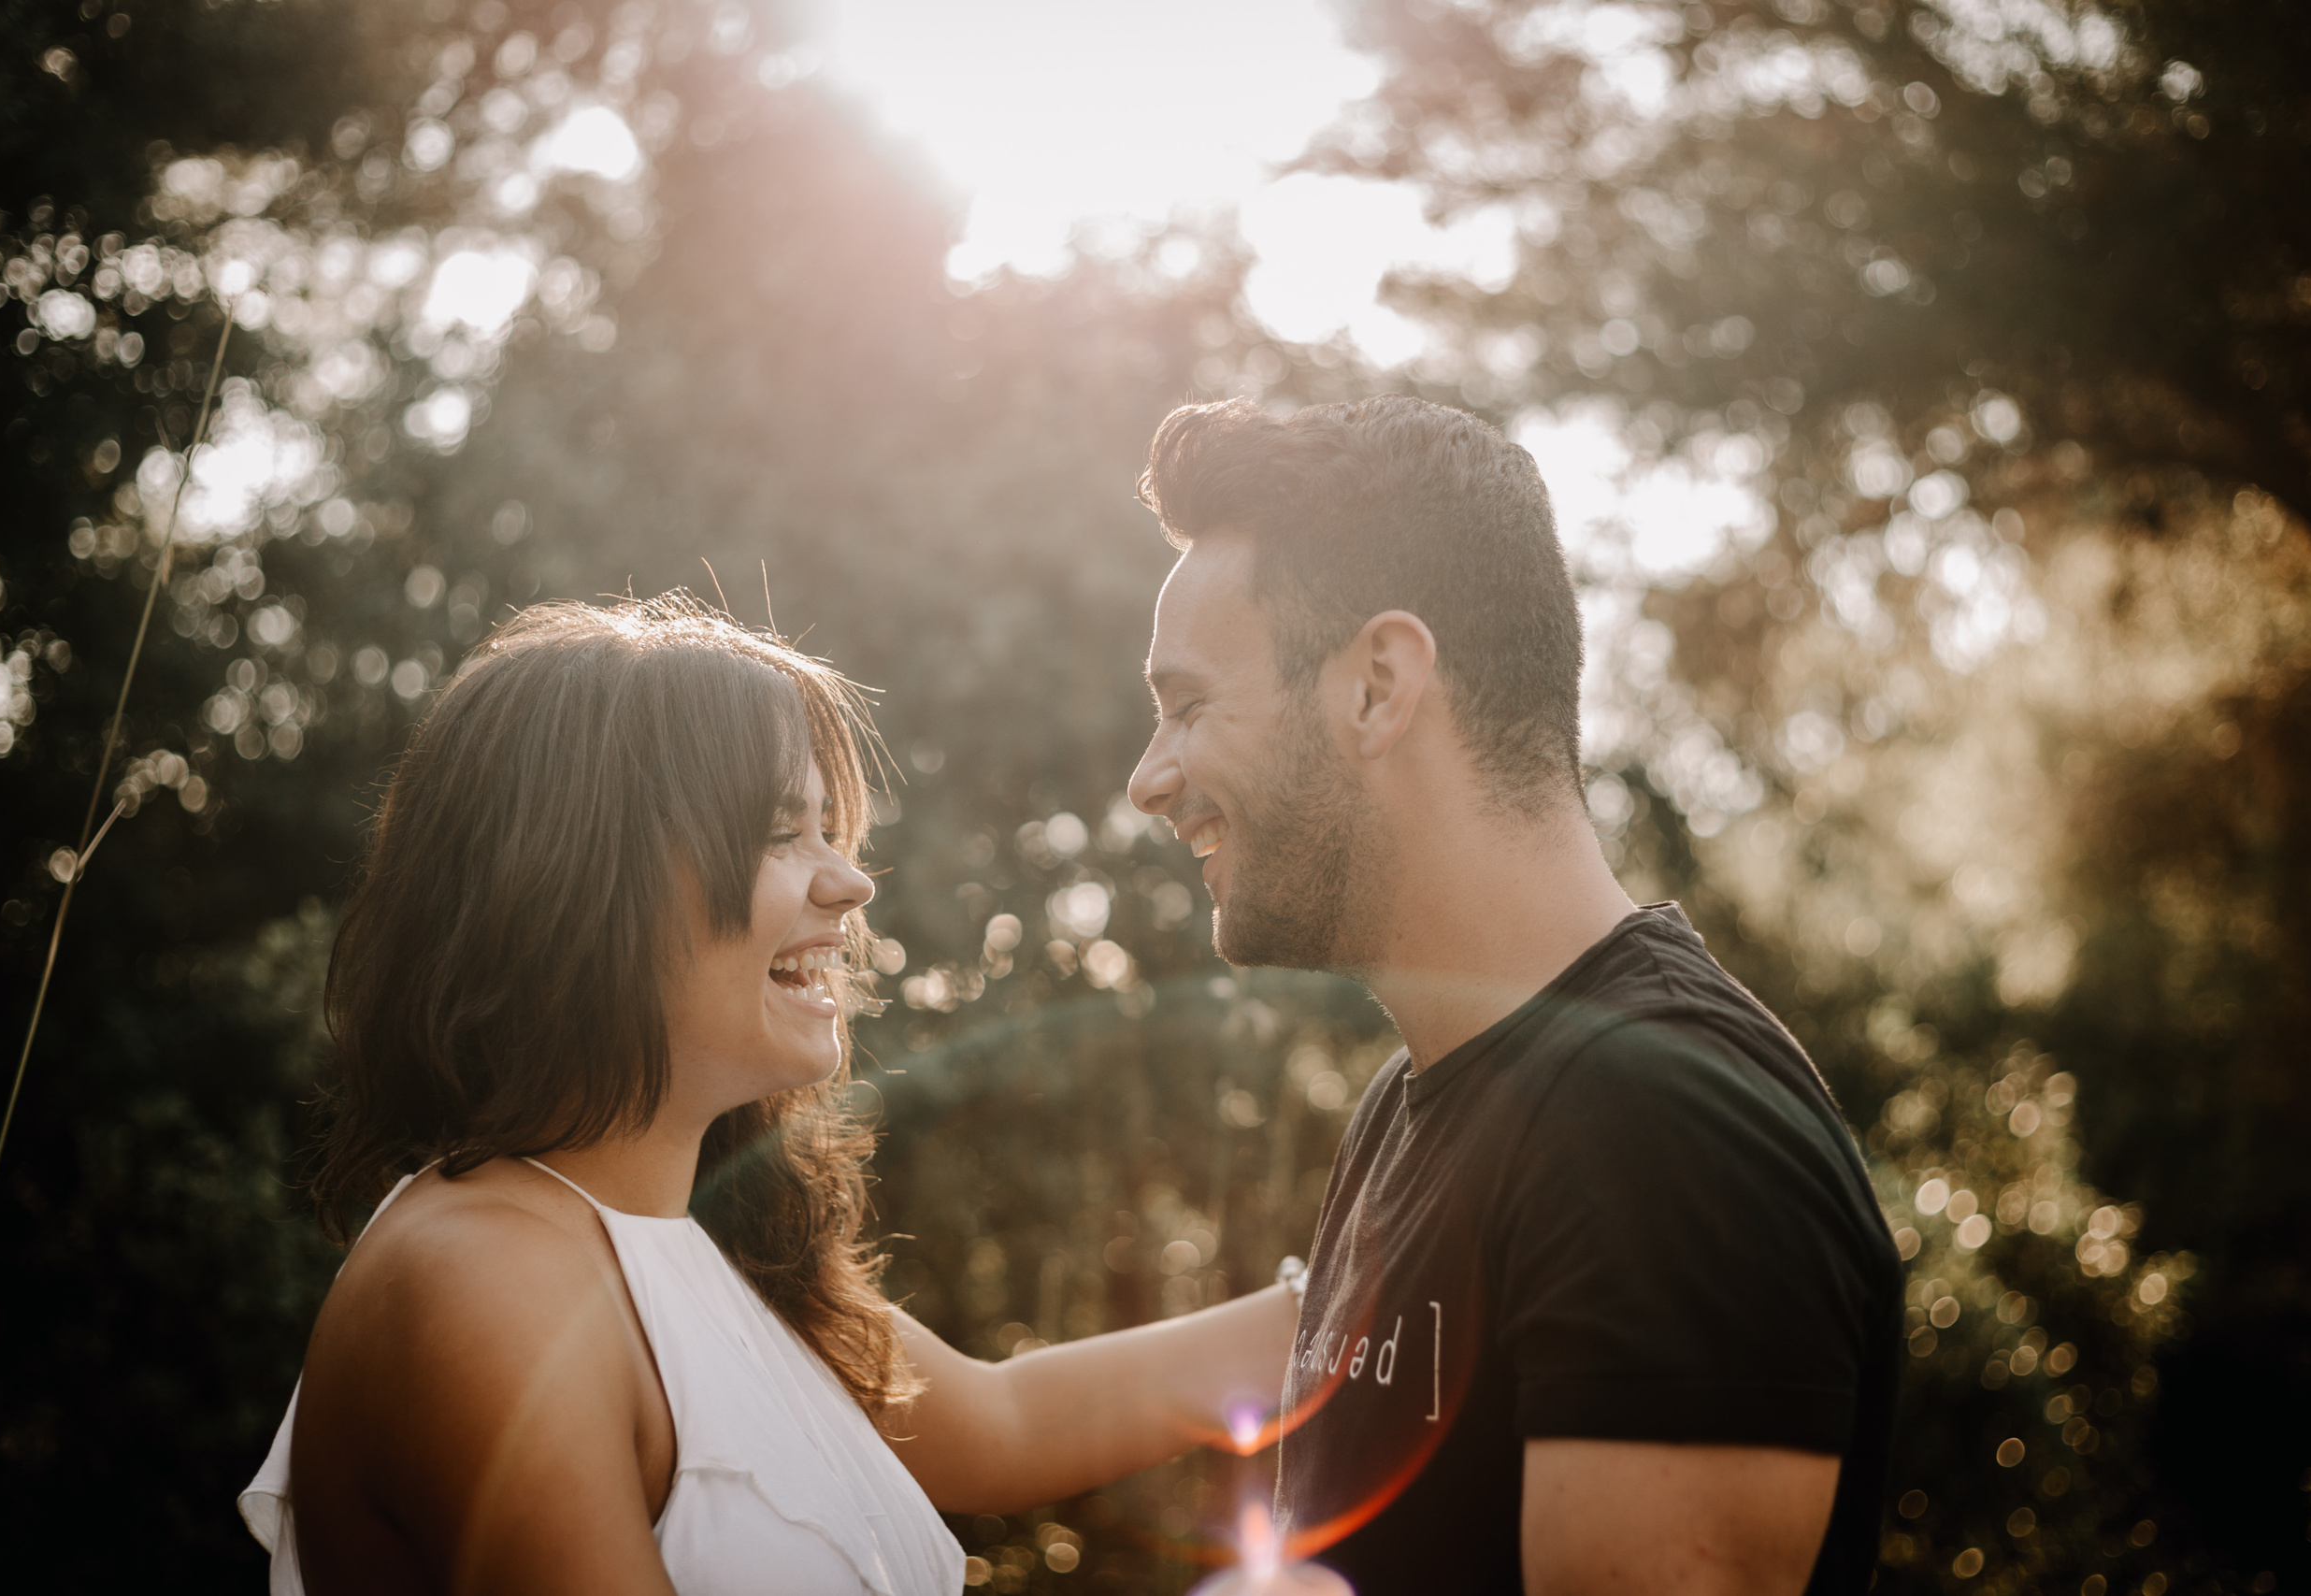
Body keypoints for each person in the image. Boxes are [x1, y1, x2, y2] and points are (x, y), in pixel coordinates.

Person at [241, 595, 1296, 1596]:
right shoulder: (480, 1276)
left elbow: (1004, 1423)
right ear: (579, 881)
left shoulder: (703, 1248)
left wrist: (1352, 1292)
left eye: (831, 830)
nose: (851, 882)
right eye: (781, 834)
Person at [1126, 395, 1903, 1596]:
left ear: (1377, 687)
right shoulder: (1416, 1103)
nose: (1148, 779)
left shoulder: (1660, 1130)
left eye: (1187, 707)